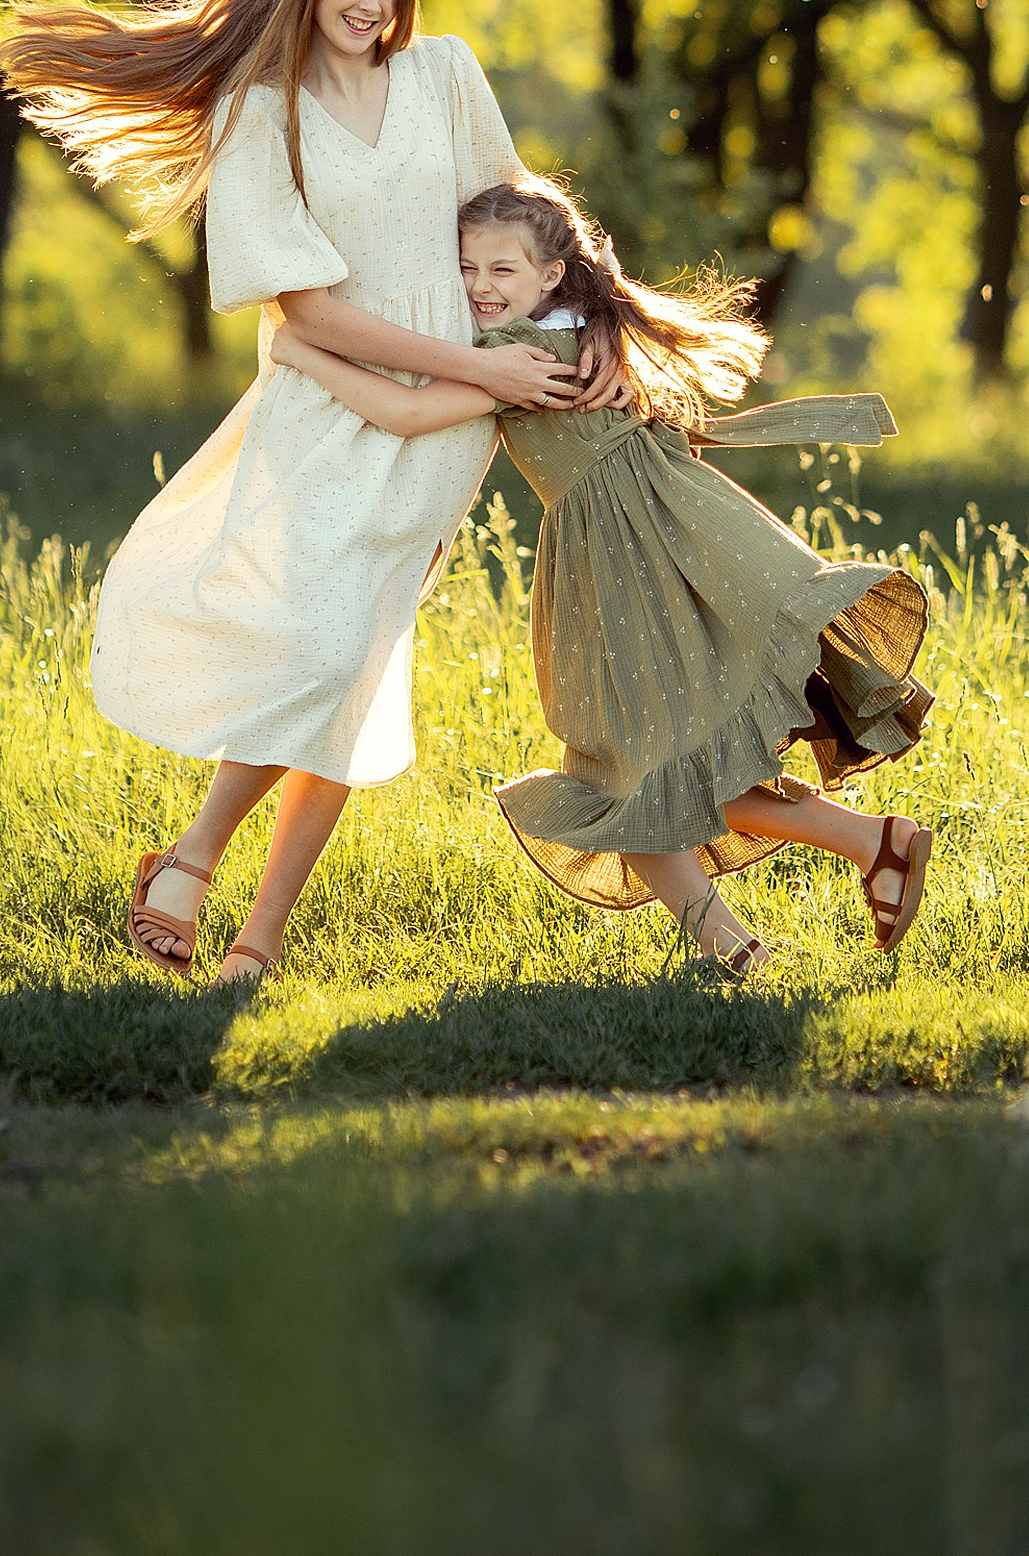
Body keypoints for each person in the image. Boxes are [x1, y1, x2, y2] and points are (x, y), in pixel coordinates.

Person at [0, 0, 617, 985]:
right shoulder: (258, 111)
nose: (372, 5)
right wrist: (477, 363)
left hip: (442, 427)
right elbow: (304, 312)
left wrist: (596, 321)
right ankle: (195, 864)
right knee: (317, 653)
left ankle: (250, 927)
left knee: (352, 656)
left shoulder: (443, 74)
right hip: (325, 401)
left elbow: (524, 221)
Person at [269, 175, 937, 974]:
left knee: (627, 776)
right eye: (468, 269)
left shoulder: (518, 356)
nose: (480, 288)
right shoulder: (585, 324)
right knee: (664, 765)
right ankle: (847, 861)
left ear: (550, 274)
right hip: (660, 537)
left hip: (632, 558)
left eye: (501, 271)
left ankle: (741, 942)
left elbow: (407, 413)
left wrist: (300, 346)